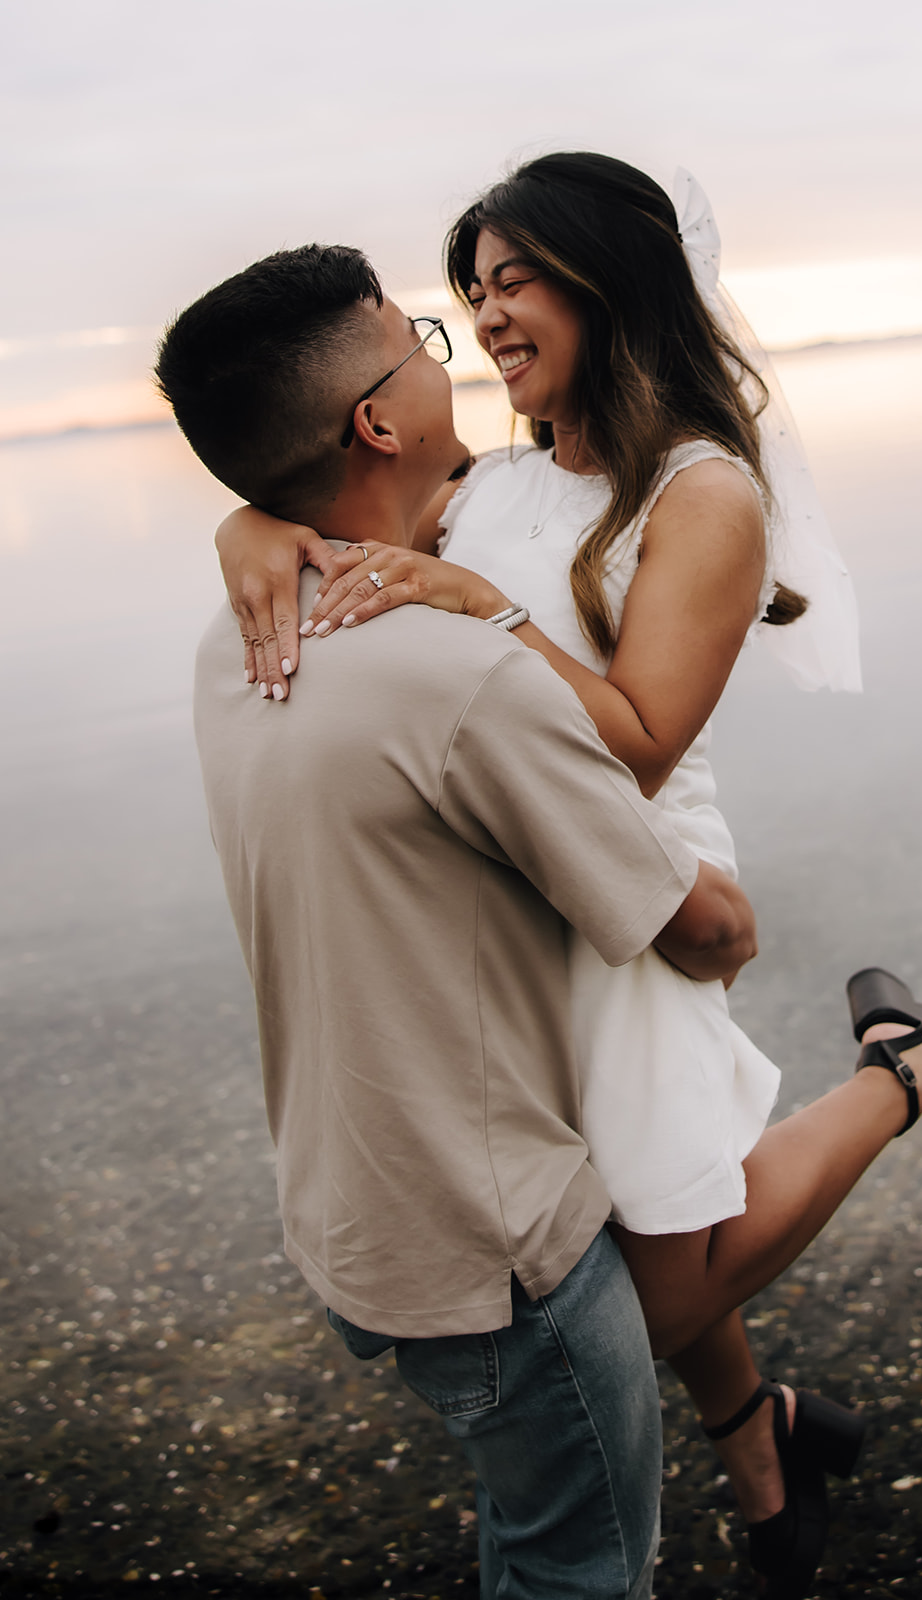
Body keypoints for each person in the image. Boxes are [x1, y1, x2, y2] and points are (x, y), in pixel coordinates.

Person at [210, 155, 922, 1600]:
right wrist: (247, 527)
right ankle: (765, 1450)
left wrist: (486, 611)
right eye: (472, 291)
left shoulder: (703, 495)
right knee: (635, 1203)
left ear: (608, 284)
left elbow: (632, 745)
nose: (489, 315)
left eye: (515, 280)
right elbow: (346, 496)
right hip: (525, 876)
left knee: (654, 1263)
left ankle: (912, 1066)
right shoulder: (491, 480)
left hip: (635, 876)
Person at [158, 240, 762, 1598]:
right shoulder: (460, 674)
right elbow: (707, 931)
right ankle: (919, 1067)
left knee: (530, 1530)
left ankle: (766, 1437)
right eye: (426, 339)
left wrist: (247, 519)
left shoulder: (240, 631)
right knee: (581, 1571)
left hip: (352, 1212)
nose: (460, 348)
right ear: (379, 417)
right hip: (499, 1253)